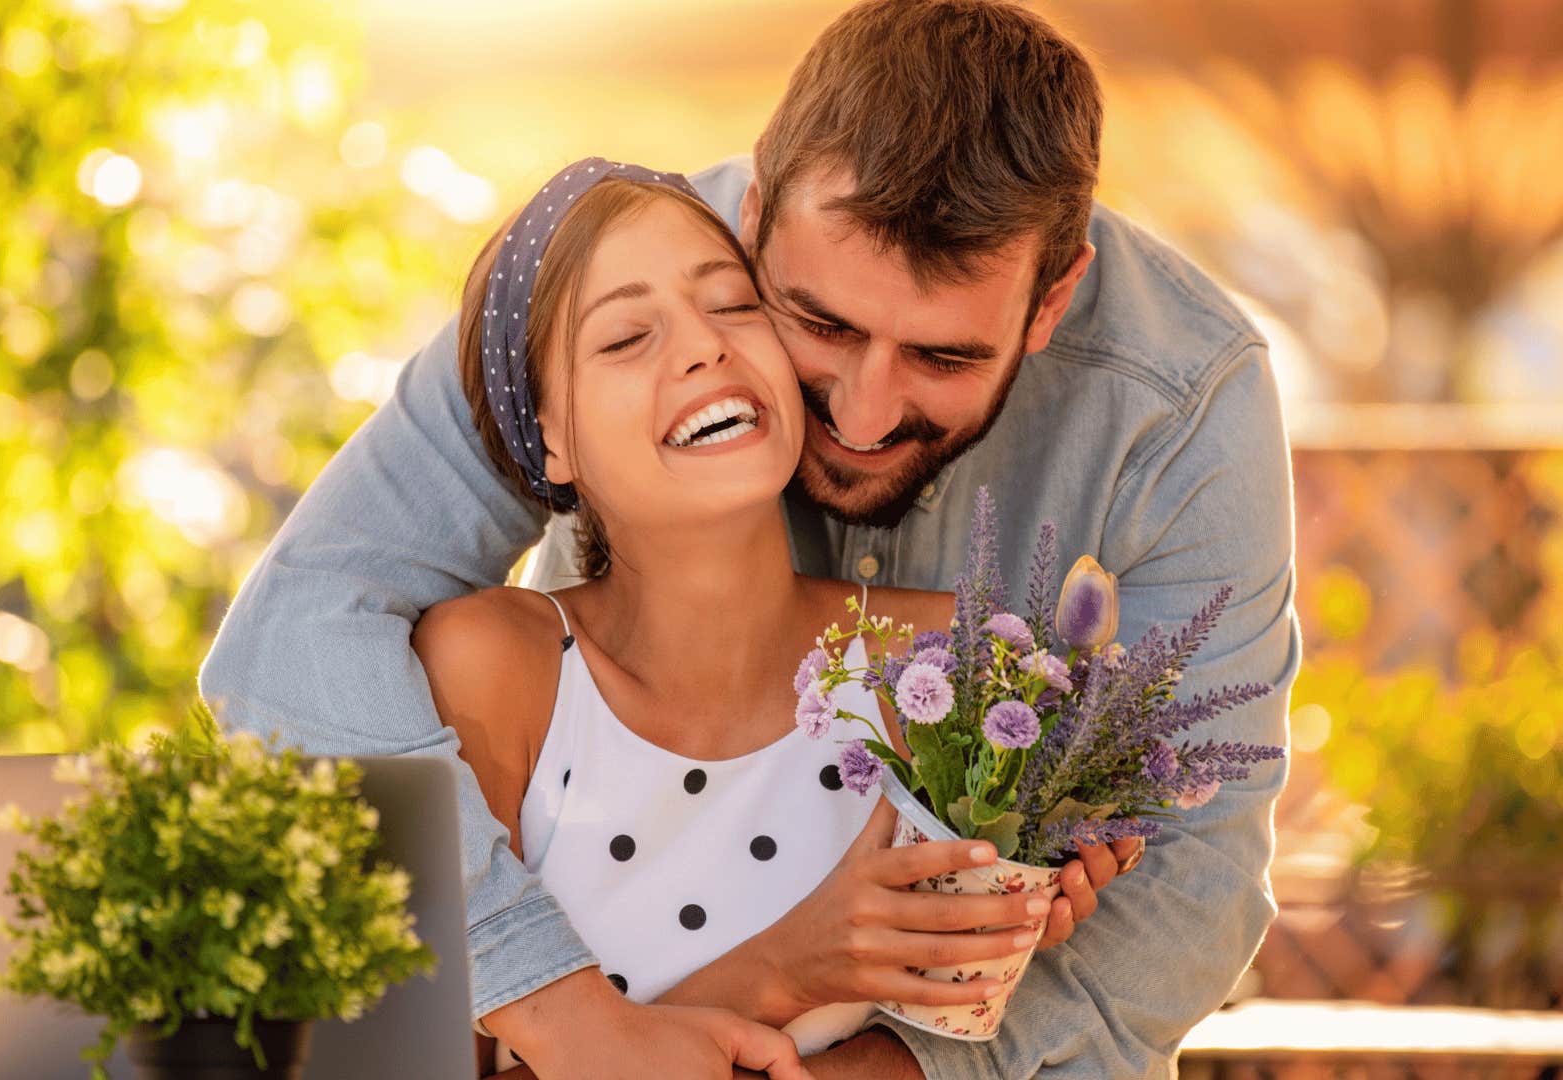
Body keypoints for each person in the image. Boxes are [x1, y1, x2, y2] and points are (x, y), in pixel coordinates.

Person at [201, 1, 1297, 1076]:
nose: (863, 418)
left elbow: (1186, 887)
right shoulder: (610, 268)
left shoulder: (1181, 402)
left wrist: (945, 986)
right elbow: (299, 633)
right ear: (758, 211)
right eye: (816, 323)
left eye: (944, 359)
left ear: (1052, 302)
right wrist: (558, 1000)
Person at [411, 160, 1081, 1077]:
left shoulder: (952, 662)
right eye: (625, 338)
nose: (703, 349)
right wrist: (787, 966)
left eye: (731, 304)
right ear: (551, 437)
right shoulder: (497, 668)